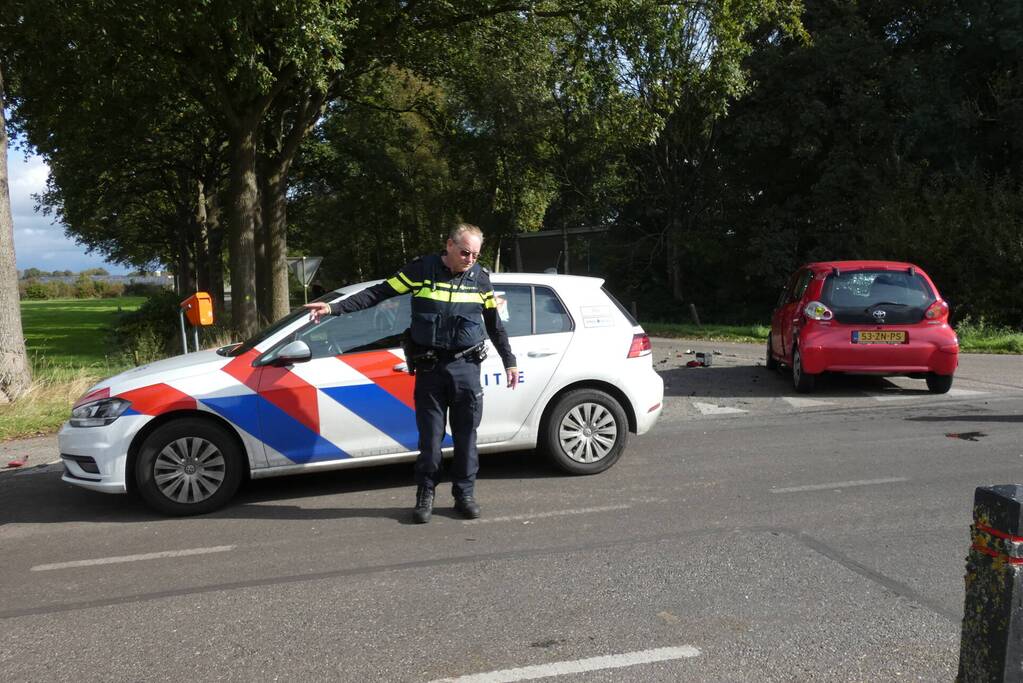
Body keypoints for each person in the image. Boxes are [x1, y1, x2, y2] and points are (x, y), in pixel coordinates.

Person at [303, 224, 518, 523]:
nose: (470, 259)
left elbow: (495, 324)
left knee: (467, 437)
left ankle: (464, 495)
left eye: (476, 254)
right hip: (430, 368)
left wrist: (509, 360)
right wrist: (333, 308)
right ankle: (425, 494)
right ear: (449, 246)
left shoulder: (480, 279)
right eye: (465, 252)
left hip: (466, 368)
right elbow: (378, 293)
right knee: (430, 439)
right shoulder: (422, 270)